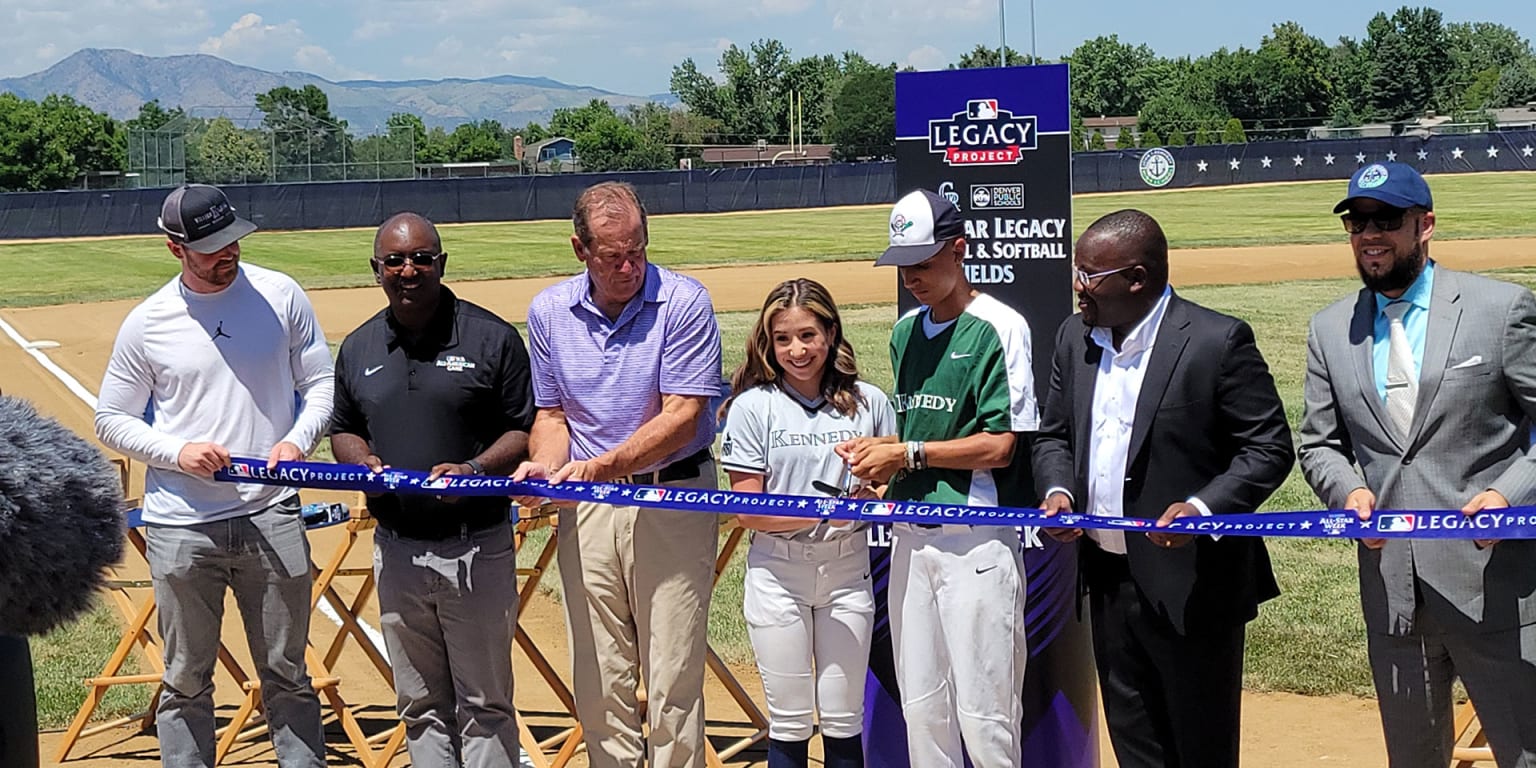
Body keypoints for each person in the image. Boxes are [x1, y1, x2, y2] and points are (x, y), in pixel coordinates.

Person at [1031, 209, 1294, 767]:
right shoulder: (1073, 338)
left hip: (1193, 587)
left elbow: (1269, 448)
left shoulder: (1216, 341)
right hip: (1105, 580)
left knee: (1199, 747)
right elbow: (1053, 437)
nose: (1078, 288)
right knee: (1136, 744)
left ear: (1138, 279)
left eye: (1089, 275)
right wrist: (1059, 493)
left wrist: (1203, 509)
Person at [1298, 162, 1536, 768]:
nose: (1370, 234)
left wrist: (1509, 493)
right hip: (1392, 590)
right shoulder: (1330, 330)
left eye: (1387, 219)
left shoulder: (1500, 309)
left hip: (1497, 584)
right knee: (1413, 757)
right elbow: (1319, 444)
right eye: (1357, 221)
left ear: (1425, 225)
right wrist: (1348, 492)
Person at [94, 183, 332, 768]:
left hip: (270, 511)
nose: (228, 255)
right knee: (186, 678)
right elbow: (111, 418)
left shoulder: (281, 295)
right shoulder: (147, 323)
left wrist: (298, 440)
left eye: (233, 242)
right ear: (175, 248)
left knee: (287, 672)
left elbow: (321, 384)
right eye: (211, 249)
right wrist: (177, 452)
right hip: (182, 526)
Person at [512, 181, 723, 768]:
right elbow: (552, 416)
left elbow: (683, 416)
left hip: (672, 491)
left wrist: (601, 466)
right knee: (600, 671)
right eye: (613, 256)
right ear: (580, 250)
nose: (629, 266)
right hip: (589, 505)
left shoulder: (684, 301)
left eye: (639, 250)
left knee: (673, 669)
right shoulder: (550, 312)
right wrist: (545, 467)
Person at [838, 188, 1035, 768]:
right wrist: (881, 458)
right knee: (922, 710)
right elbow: (915, 427)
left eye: (924, 263)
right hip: (910, 538)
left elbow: (1001, 447)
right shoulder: (903, 332)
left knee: (986, 715)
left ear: (960, 249)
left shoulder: (1000, 326)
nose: (913, 278)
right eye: (904, 265)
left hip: (974, 540)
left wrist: (907, 455)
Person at [329, 213, 534, 767]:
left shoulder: (492, 338)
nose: (408, 269)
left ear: (442, 263)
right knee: (419, 704)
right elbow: (343, 427)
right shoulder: (359, 347)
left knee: (484, 703)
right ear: (376, 270)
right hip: (397, 549)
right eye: (394, 260)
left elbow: (524, 428)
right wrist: (362, 462)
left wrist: (474, 469)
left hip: (475, 548)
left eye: (421, 257)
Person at [718, 279, 895, 768]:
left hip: (847, 572)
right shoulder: (753, 407)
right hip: (779, 573)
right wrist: (825, 509)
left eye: (808, 335)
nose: (797, 350)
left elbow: (889, 485)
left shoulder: (870, 402)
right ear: (767, 343)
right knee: (790, 722)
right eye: (783, 338)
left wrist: (872, 492)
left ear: (831, 334)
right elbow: (748, 511)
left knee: (843, 721)